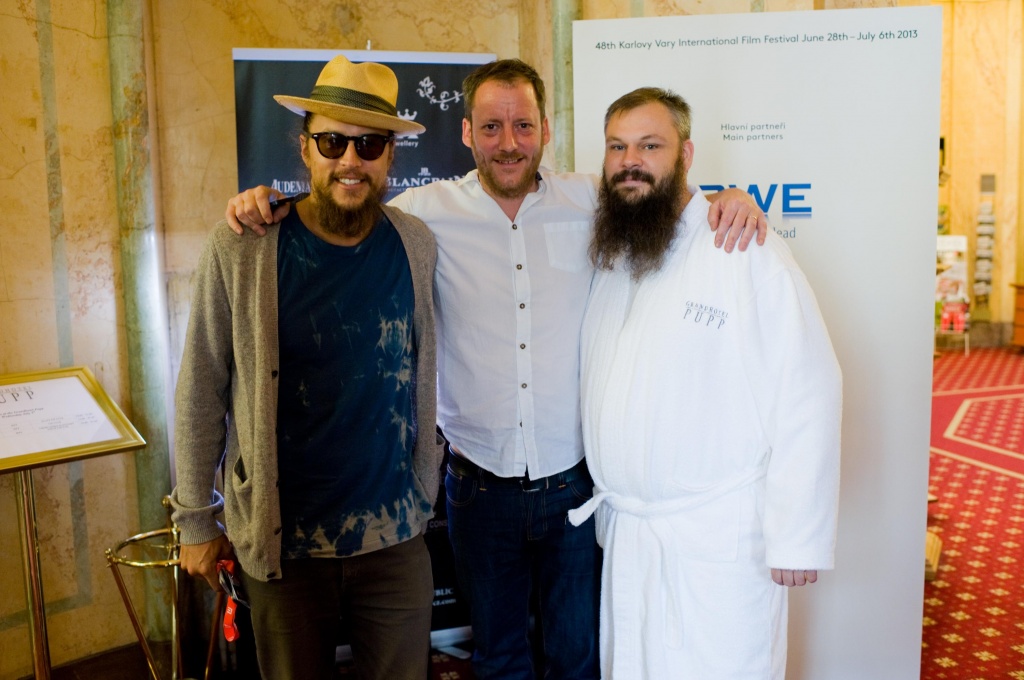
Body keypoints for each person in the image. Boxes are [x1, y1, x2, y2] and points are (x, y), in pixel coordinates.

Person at [225, 60, 767, 679]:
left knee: (577, 656)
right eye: (491, 127)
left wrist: (728, 199)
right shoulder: (420, 214)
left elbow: (662, 195)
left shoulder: (593, 199)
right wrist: (266, 203)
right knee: (499, 657)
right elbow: (342, 203)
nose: (508, 143)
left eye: (522, 125)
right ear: (465, 133)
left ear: (545, 130)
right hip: (477, 489)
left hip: (574, 485)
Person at [170, 55, 443, 680]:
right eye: (332, 141)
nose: (351, 158)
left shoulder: (416, 242)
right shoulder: (245, 245)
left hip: (396, 537)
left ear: (391, 155)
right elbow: (201, 388)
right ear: (305, 148)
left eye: (370, 143)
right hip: (284, 547)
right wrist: (195, 518)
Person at [567, 87, 842, 680]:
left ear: (686, 154)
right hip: (633, 539)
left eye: (650, 145)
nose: (629, 159)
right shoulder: (615, 251)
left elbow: (808, 389)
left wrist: (798, 536)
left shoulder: (742, 247)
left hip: (718, 543)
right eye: (617, 146)